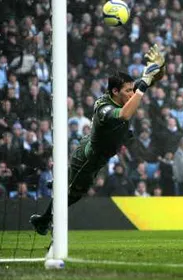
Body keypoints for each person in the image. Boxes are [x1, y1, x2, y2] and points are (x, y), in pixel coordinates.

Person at [30, 45, 166, 235]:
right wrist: (144, 83)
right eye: (128, 91)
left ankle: (60, 186)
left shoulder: (124, 94)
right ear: (115, 92)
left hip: (105, 146)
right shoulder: (104, 108)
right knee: (74, 193)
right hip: (90, 156)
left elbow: (151, 80)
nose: (131, 93)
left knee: (70, 188)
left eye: (132, 90)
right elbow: (126, 114)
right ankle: (45, 219)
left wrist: (159, 66)